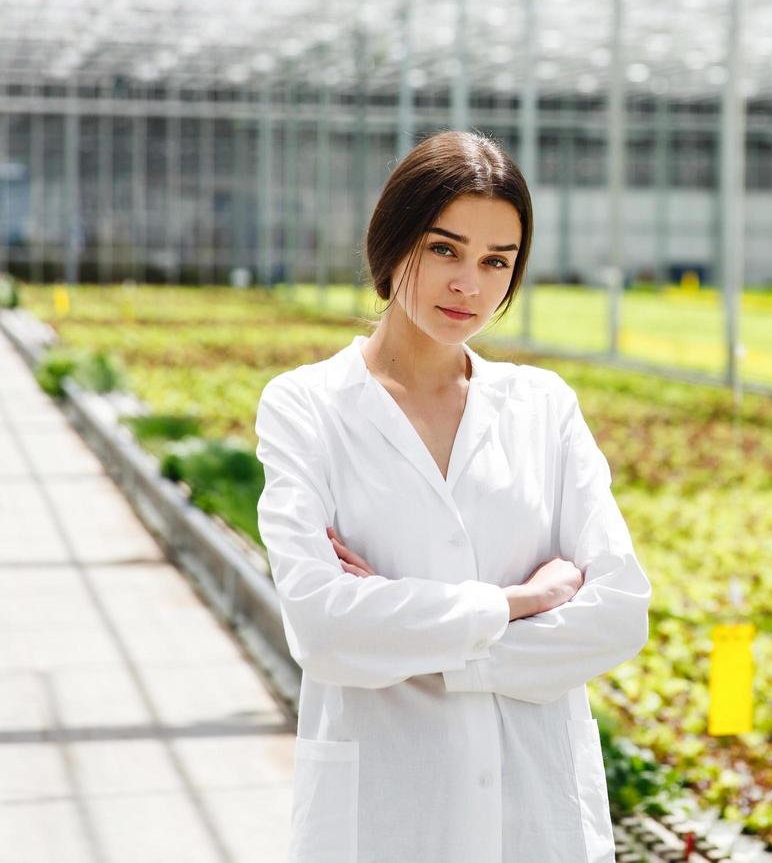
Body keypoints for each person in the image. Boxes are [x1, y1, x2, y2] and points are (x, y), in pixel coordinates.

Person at [253, 129, 651, 863]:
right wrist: (513, 605)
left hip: (536, 816)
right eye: (445, 249)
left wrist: (415, 641)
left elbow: (619, 613)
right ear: (394, 241)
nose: (470, 283)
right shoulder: (307, 406)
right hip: (385, 818)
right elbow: (322, 627)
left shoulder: (543, 407)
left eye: (497, 261)